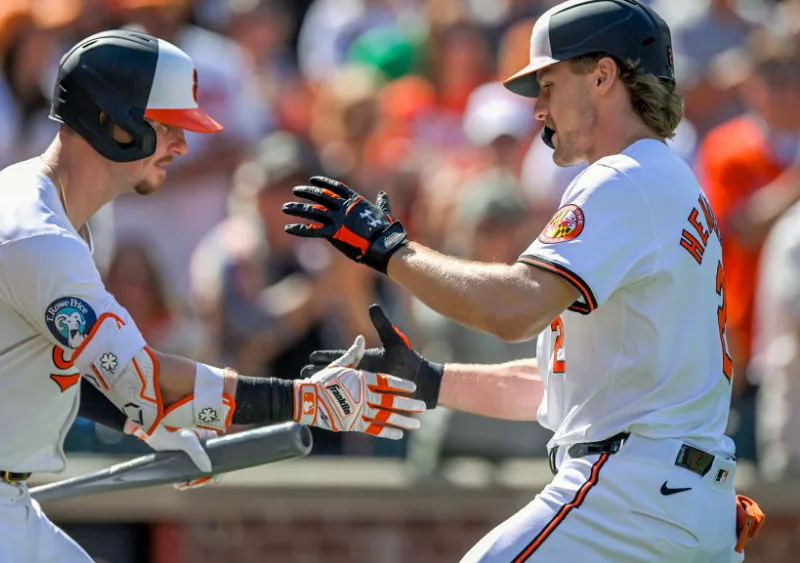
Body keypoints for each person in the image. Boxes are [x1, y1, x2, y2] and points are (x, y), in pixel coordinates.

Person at [0, 29, 424, 563]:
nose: (178, 144)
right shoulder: (34, 230)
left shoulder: (52, 212)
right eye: (165, 124)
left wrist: (152, 423)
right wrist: (298, 400)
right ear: (111, 120)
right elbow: (142, 378)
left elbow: (79, 373)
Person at [286, 1, 765, 561]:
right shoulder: (664, 179)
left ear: (603, 75)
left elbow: (515, 309)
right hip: (681, 500)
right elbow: (559, 391)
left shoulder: (621, 179)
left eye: (549, 82)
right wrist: (429, 380)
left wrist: (391, 251)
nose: (537, 107)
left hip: (633, 496)